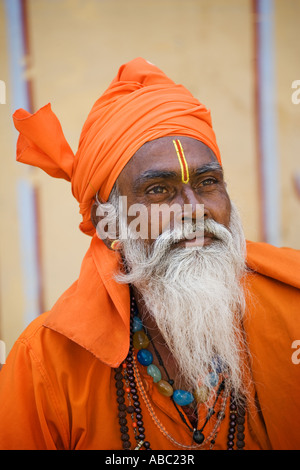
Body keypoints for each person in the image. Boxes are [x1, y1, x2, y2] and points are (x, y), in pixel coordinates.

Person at [0, 58, 299, 451]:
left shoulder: (291, 308)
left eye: (209, 182)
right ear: (108, 226)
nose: (195, 208)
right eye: (159, 190)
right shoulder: (45, 363)